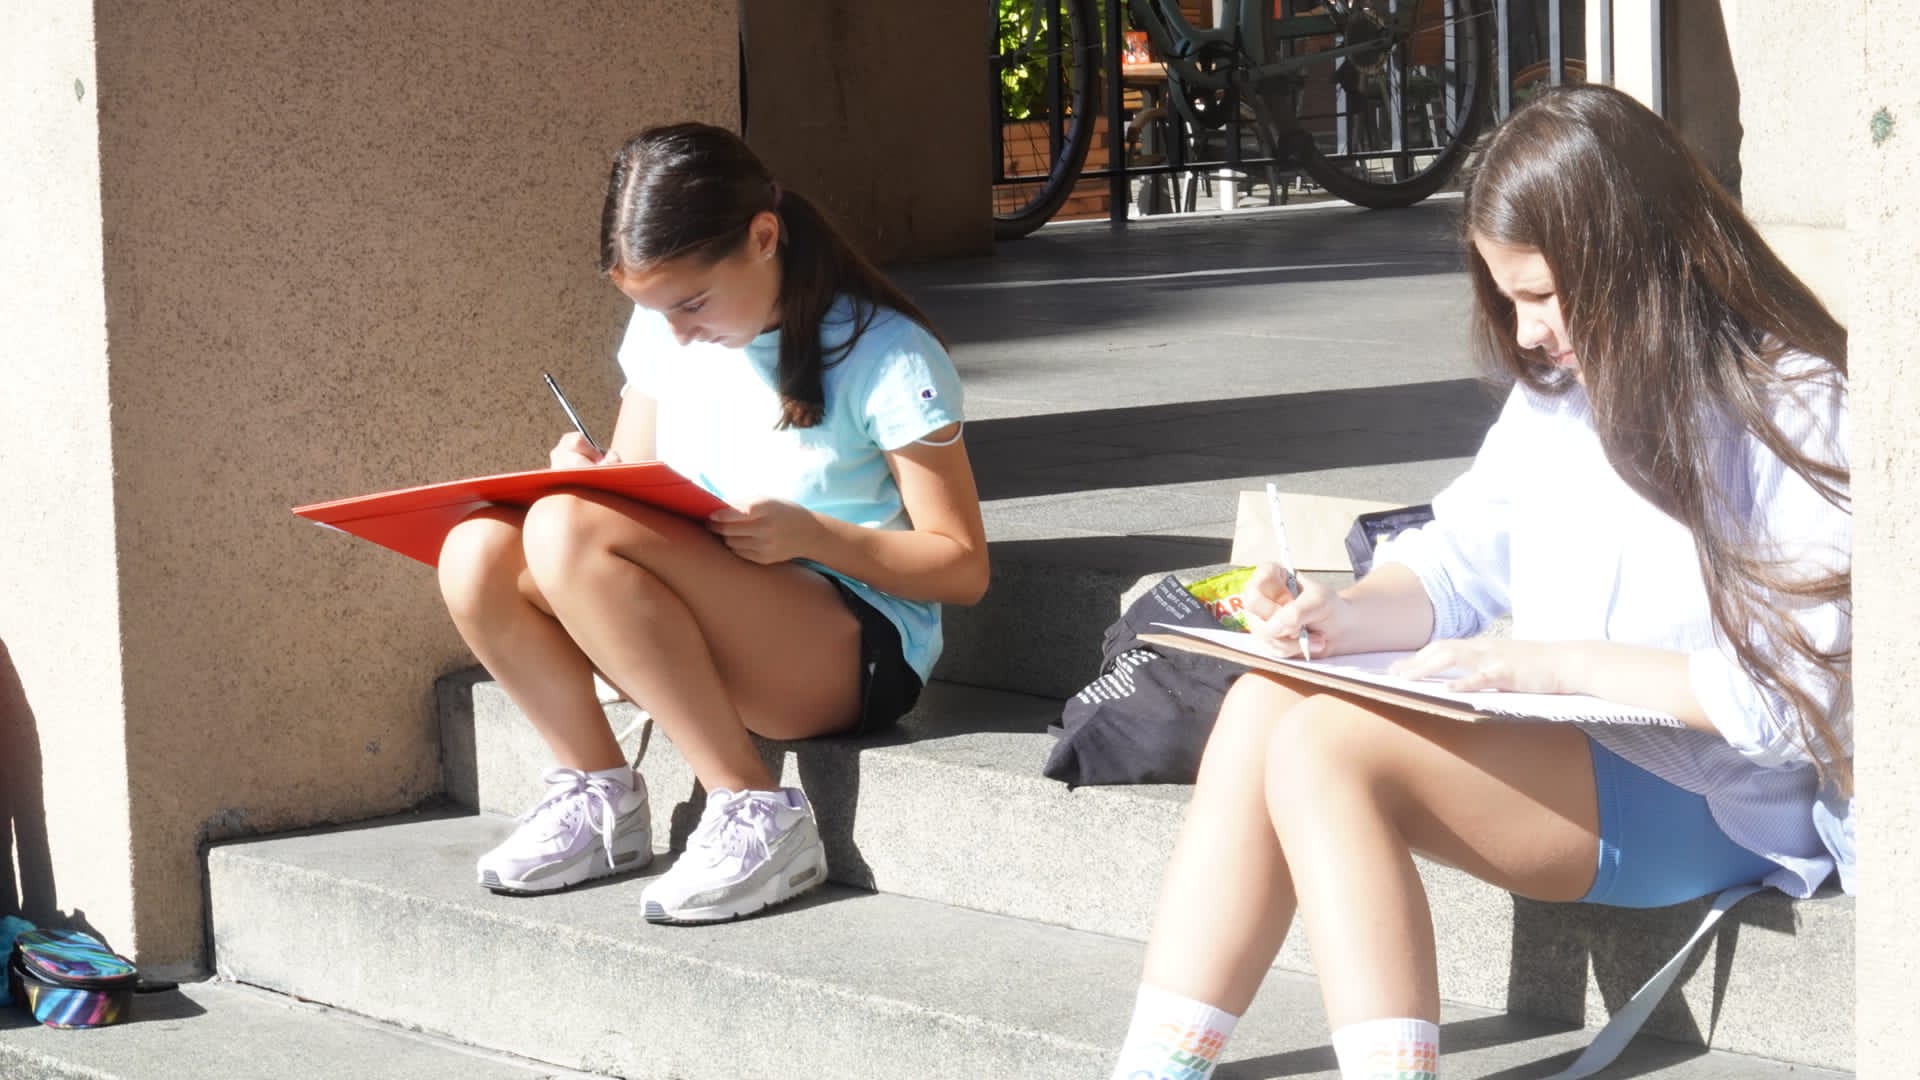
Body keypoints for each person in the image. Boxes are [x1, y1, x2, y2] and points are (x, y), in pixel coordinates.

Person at [1108, 83, 1851, 1080]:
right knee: (1262, 703)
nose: (1529, 331)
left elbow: (1788, 704)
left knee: (1325, 749)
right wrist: (1342, 617)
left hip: (1717, 793)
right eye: (1510, 300)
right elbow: (1456, 559)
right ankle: (1154, 1068)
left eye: (1543, 294)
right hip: (1573, 744)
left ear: (1631, 253)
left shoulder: (1794, 403)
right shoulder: (1561, 396)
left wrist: (1548, 665)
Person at [437, 122, 988, 924]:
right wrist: (586, 473)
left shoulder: (887, 355)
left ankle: (756, 812)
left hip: (853, 650)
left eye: (692, 302)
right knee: (476, 548)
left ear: (763, 238)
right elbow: (626, 492)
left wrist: (814, 536)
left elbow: (962, 566)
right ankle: (598, 793)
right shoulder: (668, 334)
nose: (677, 332)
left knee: (565, 527)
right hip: (717, 618)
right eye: (654, 310)